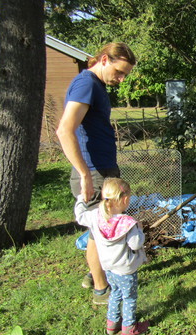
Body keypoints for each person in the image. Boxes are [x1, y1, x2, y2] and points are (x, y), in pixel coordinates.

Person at [56, 42, 136, 304]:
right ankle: (102, 291)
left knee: (104, 227)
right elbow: (65, 130)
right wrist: (85, 175)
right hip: (93, 170)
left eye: (125, 75)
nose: (121, 79)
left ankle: (95, 273)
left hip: (103, 168)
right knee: (98, 231)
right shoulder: (86, 83)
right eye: (120, 72)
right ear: (104, 59)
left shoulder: (97, 85)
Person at [74, 178, 149, 335]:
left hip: (108, 267)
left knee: (115, 292)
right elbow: (135, 244)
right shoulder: (128, 223)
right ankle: (129, 327)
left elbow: (80, 216)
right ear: (125, 199)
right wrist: (140, 230)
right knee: (129, 297)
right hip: (126, 270)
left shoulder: (95, 216)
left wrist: (81, 198)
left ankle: (112, 324)